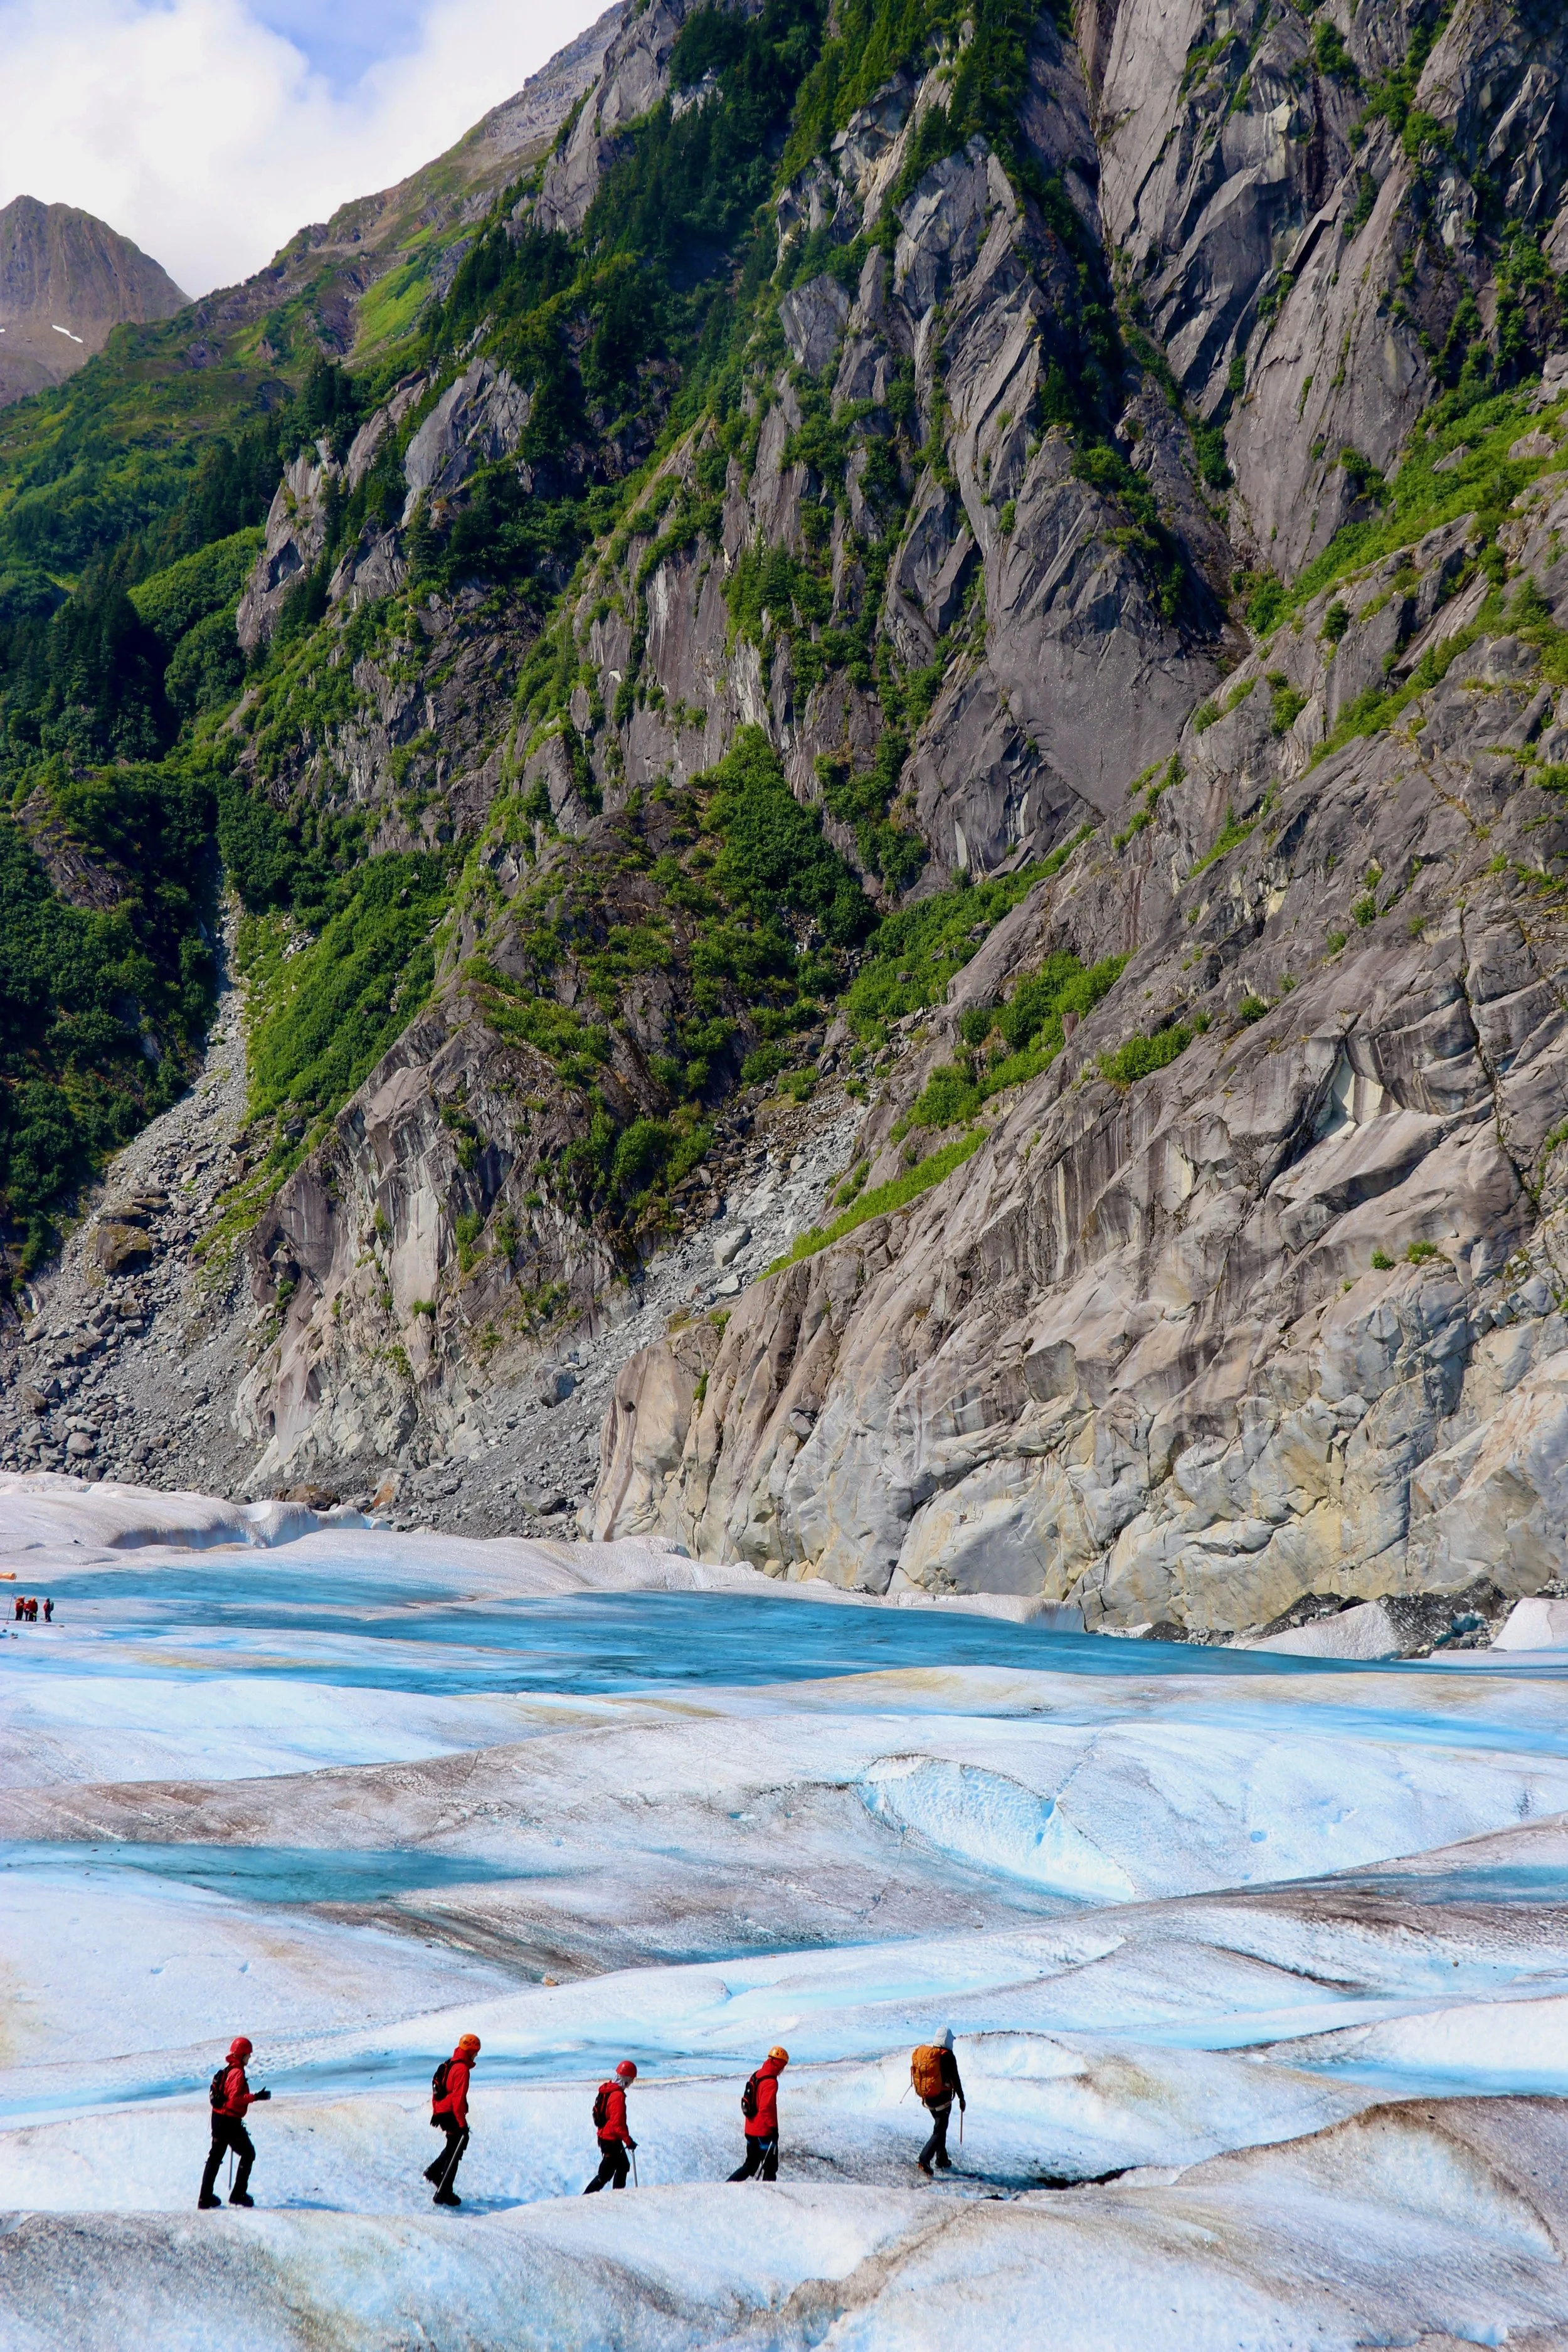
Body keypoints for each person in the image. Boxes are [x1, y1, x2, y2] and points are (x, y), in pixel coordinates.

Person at [198, 2036, 270, 2208]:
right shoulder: (237, 2073)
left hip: (218, 2119)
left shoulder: (229, 2069)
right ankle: (238, 2194)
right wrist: (256, 2097)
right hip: (229, 2121)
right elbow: (234, 2100)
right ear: (242, 2055)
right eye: (248, 2055)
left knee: (215, 2157)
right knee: (249, 2153)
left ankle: (205, 2197)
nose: (250, 2058)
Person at [425, 2032, 480, 2206]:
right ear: (470, 2050)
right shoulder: (461, 2069)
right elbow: (458, 2100)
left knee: (453, 2147)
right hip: (450, 2113)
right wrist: (462, 2124)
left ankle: (440, 2180)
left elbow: (437, 2091)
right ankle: (443, 2190)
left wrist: (436, 2111)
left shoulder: (449, 2063)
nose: (477, 2055)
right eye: (476, 2051)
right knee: (456, 2149)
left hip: (442, 2111)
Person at [728, 2047, 788, 2181]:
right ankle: (768, 2197)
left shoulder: (756, 2075)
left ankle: (727, 2186)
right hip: (764, 2132)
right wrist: (773, 2128)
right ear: (779, 2064)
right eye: (783, 2066)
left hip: (750, 2130)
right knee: (770, 2169)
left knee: (750, 2165)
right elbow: (766, 2108)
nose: (783, 2070)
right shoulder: (771, 2082)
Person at [911, 2030, 965, 2176]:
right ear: (947, 2040)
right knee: (940, 2130)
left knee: (940, 2126)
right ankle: (924, 2158)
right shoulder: (948, 2056)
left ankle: (942, 2159)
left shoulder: (932, 2055)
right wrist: (961, 2098)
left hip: (929, 2099)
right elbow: (956, 2079)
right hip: (942, 2100)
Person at [583, 2059, 638, 2191]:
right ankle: (587, 2198)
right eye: (631, 2080)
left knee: (622, 2166)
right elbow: (618, 2123)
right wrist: (628, 2141)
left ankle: (616, 2196)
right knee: (606, 2174)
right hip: (611, 2139)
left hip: (606, 2136)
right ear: (626, 2079)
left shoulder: (608, 2089)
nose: (631, 2084)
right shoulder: (617, 2096)